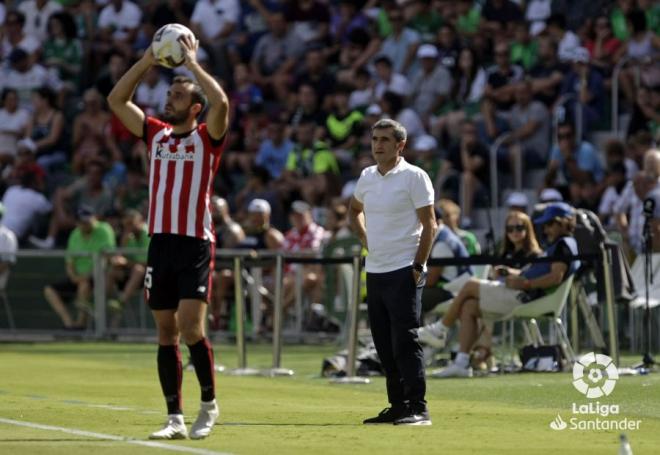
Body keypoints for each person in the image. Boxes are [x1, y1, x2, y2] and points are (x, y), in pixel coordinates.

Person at [107, 36, 229, 440]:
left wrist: (193, 66)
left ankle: (209, 404)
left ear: (195, 108)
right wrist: (146, 60)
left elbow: (223, 105)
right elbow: (117, 100)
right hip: (160, 242)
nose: (169, 99)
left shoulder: (206, 138)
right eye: (169, 93)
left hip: (194, 242)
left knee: (192, 328)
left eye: (178, 96)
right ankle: (174, 416)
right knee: (165, 331)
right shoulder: (155, 134)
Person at [419, 203, 579, 378]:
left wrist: (524, 283)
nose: (546, 230)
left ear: (561, 223)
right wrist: (515, 274)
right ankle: (462, 363)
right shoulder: (558, 244)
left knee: (470, 285)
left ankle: (440, 329)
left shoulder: (564, 243)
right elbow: (538, 272)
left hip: (524, 296)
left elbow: (555, 277)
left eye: (549, 224)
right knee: (469, 306)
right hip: (519, 293)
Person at [349, 118, 436, 426]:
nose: (378, 145)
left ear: (400, 145)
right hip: (375, 270)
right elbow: (353, 211)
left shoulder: (415, 176)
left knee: (405, 340)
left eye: (385, 139)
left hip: (404, 269)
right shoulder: (367, 176)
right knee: (383, 342)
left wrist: (418, 265)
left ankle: (418, 406)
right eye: (374, 139)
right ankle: (397, 405)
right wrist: (365, 238)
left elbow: (431, 225)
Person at [43, 206, 116, 330]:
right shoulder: (75, 234)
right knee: (49, 290)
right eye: (82, 221)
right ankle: (69, 323)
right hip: (78, 277)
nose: (86, 224)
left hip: (99, 277)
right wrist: (74, 277)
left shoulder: (104, 229)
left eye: (88, 220)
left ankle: (80, 324)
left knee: (84, 285)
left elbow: (106, 258)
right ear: (77, 222)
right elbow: (70, 261)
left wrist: (85, 277)